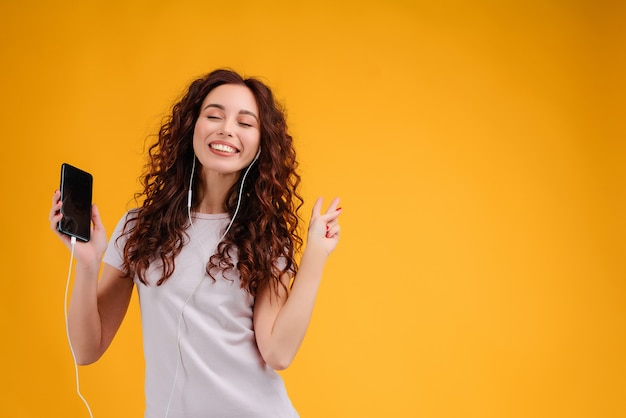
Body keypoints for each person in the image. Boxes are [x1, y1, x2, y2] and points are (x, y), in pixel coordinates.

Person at [49, 69, 342, 418]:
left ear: (261, 145)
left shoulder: (265, 237)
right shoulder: (138, 228)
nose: (227, 129)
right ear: (192, 127)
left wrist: (316, 255)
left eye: (245, 123)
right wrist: (87, 262)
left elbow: (278, 353)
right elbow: (85, 349)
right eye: (214, 115)